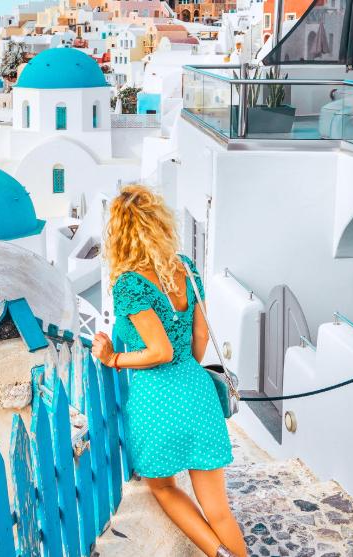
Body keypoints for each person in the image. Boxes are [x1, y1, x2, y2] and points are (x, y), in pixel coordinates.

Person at [92, 184, 246, 557]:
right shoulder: (185, 268)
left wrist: (113, 358)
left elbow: (157, 351)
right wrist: (184, 362)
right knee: (219, 510)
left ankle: (217, 554)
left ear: (120, 233)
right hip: (197, 392)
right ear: (158, 223)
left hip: (157, 402)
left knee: (163, 488)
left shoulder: (129, 284)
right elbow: (199, 335)